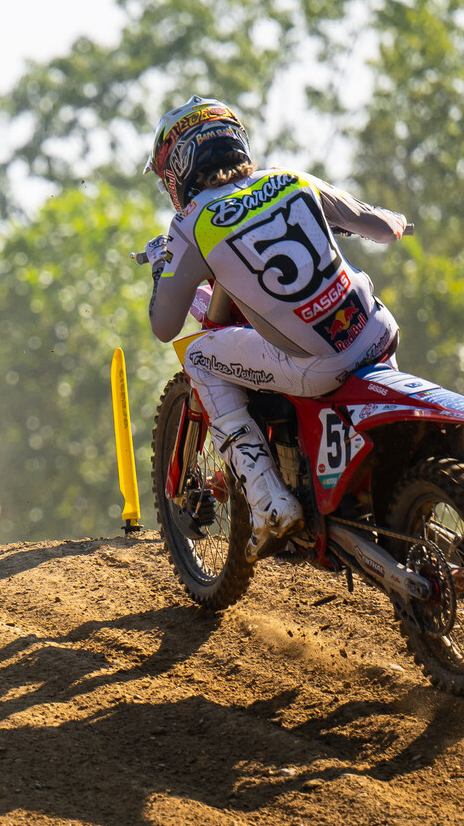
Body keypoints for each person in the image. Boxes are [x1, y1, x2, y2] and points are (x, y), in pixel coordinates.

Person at [143, 97, 414, 555]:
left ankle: (270, 501)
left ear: (179, 169)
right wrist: (398, 220)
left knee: (199, 356)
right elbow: (383, 229)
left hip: (320, 366)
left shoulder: (191, 224)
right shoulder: (290, 179)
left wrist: (162, 271)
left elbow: (164, 326)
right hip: (376, 332)